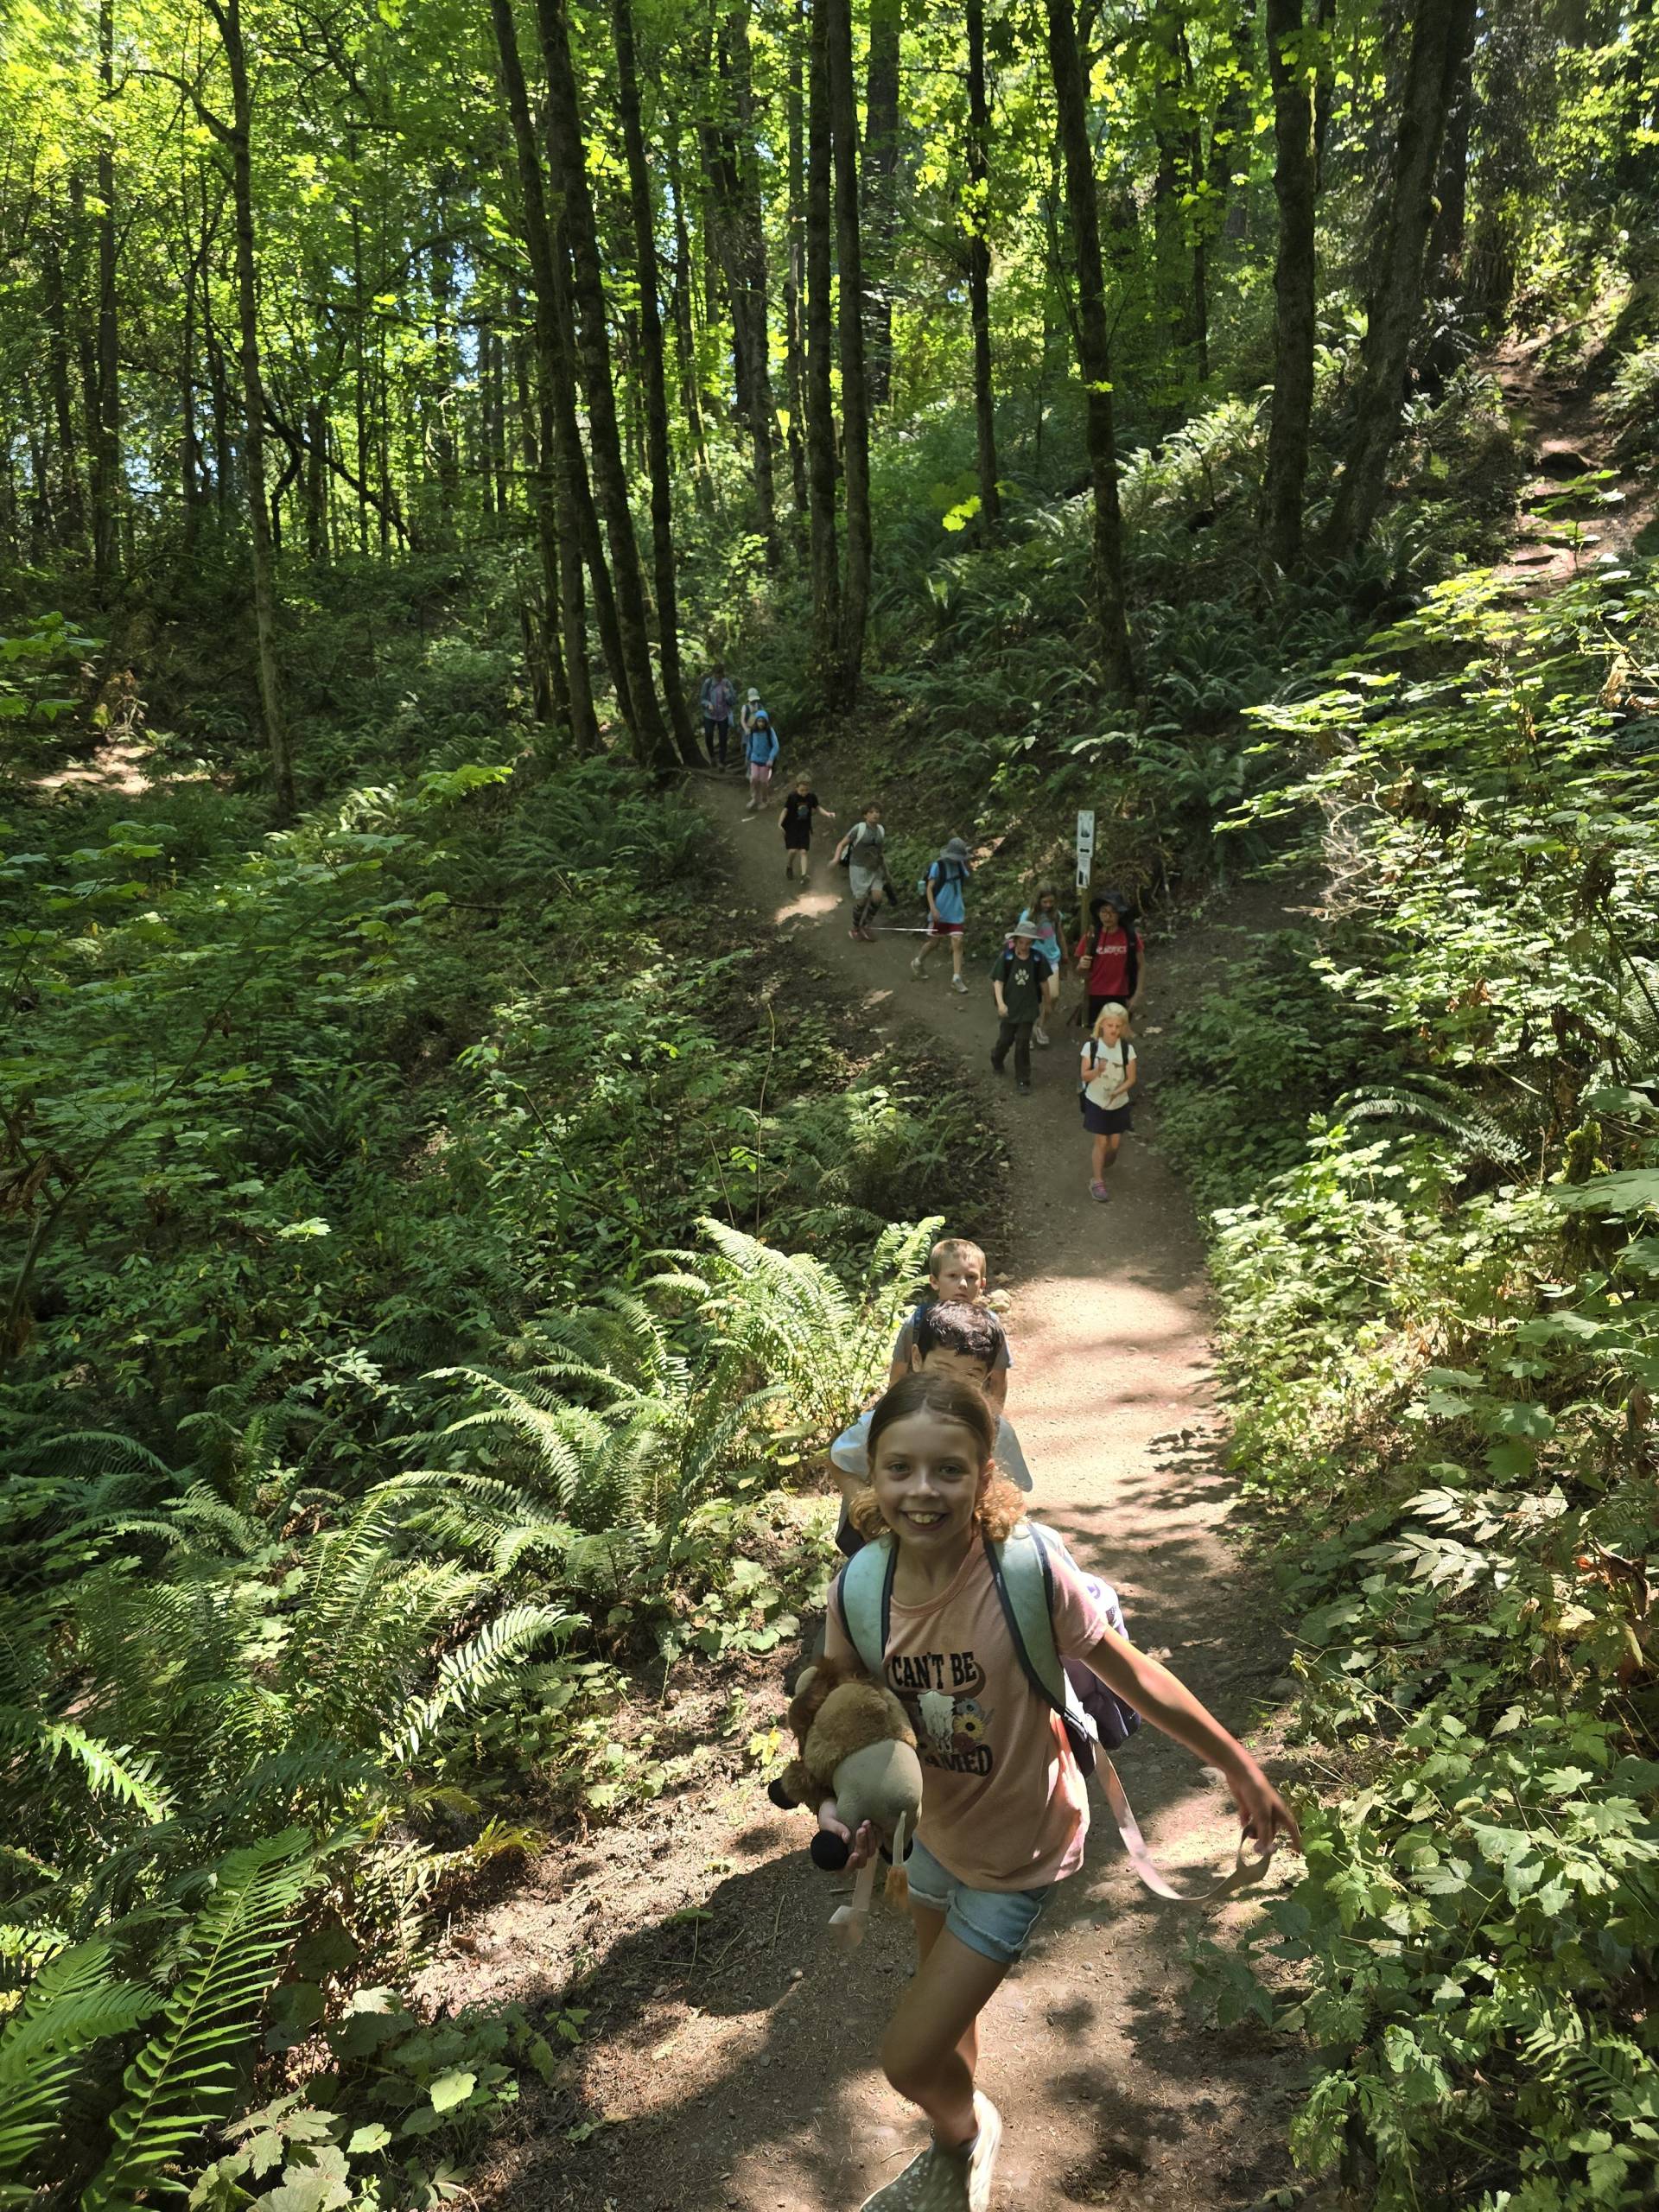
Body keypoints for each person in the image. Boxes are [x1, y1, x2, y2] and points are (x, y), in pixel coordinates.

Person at [819, 1370, 1301, 2212]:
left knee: (906, 2057)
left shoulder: (1025, 1571)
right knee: (946, 2021)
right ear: (874, 1476)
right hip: (930, 1840)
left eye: (948, 1469)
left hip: (1024, 1849)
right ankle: (956, 2148)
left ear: (983, 1475)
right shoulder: (858, 1593)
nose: (922, 1490)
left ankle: (966, 2134)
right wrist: (846, 1811)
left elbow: (1136, 1673)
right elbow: (850, 1725)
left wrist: (1240, 1764)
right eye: (900, 1468)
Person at [830, 1302, 1031, 1557]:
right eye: (941, 1371)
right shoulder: (892, 1419)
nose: (952, 1385)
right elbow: (839, 1461)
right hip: (893, 1556)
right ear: (917, 1358)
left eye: (969, 1376)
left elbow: (1013, 1492)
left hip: (967, 1557)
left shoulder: (997, 1431)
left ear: (987, 1377)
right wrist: (874, 1513)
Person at [886, 1236, 1010, 1409]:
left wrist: (994, 1419)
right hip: (922, 1408)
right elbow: (898, 1375)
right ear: (934, 1281)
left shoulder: (990, 1325)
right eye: (952, 1276)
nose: (963, 1284)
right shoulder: (917, 1321)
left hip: (969, 1410)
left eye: (971, 1277)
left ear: (982, 1284)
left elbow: (998, 1380)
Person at [988, 919, 1054, 1095]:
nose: (1024, 946)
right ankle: (997, 1058)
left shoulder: (1037, 959)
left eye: (1028, 943)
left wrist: (1047, 1004)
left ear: (1032, 943)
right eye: (1021, 942)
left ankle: (1023, 1080)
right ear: (1015, 940)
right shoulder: (1007, 957)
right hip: (1010, 1008)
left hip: (1029, 1008)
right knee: (1005, 1040)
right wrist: (1001, 1004)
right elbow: (998, 981)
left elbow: (1043, 982)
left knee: (1023, 1043)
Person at [1079, 1001, 1136, 1203]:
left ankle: (1106, 1159)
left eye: (1118, 1026)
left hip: (1119, 1102)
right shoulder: (1091, 1047)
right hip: (1096, 1101)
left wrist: (1117, 1092)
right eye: (1110, 1025)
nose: (1113, 1030)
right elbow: (1084, 1076)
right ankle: (1097, 1181)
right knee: (1101, 1142)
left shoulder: (1126, 1050)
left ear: (1123, 1027)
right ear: (1102, 1024)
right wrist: (1097, 1071)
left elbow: (1131, 1078)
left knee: (1114, 1144)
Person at [911, 836, 973, 995]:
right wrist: (933, 909)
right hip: (940, 912)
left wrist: (967, 860)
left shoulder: (960, 865)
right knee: (934, 943)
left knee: (958, 942)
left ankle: (956, 978)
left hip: (956, 911)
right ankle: (918, 962)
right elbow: (929, 888)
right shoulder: (937, 866)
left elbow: (968, 876)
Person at [1074, 891, 1145, 1028]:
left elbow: (1141, 965)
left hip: (1122, 994)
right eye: (1104, 912)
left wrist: (1137, 994)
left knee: (1117, 1036)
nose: (1107, 916)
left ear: (1120, 914)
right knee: (1097, 1037)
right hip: (1095, 994)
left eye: (1112, 912)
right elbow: (1079, 973)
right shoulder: (1091, 937)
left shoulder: (1130, 936)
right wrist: (1081, 966)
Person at [1014, 886, 1065, 1046]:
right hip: (1033, 959)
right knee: (1032, 998)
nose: (1048, 905)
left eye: (1051, 901)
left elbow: (1059, 934)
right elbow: (1020, 937)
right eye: (1045, 901)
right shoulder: (1028, 915)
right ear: (1038, 900)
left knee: (1054, 995)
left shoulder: (1055, 915)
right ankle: (1026, 1031)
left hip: (1051, 958)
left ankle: (1040, 1026)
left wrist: (1065, 955)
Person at [836, 804, 888, 941]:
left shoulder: (881, 830)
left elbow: (879, 851)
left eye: (877, 812)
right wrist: (836, 859)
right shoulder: (858, 828)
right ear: (865, 815)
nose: (875, 815)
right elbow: (842, 844)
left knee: (877, 897)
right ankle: (855, 928)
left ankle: (866, 925)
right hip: (858, 867)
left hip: (875, 868)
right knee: (862, 900)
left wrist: (885, 870)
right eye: (871, 812)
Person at [780, 774, 835, 882]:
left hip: (804, 828)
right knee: (792, 851)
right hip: (792, 827)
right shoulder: (792, 797)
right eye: (801, 790)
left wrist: (828, 814)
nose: (804, 793)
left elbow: (818, 808)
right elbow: (785, 810)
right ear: (797, 788)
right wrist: (780, 823)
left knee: (803, 851)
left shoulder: (812, 797)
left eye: (806, 790)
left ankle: (804, 875)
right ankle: (789, 866)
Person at [698, 663, 737, 769]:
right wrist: (708, 704)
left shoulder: (727, 683)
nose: (718, 678)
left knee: (723, 738)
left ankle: (721, 762)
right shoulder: (708, 683)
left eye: (720, 676)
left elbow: (733, 701)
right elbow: (702, 699)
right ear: (713, 674)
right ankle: (712, 757)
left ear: (723, 674)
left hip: (723, 715)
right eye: (716, 675)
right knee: (709, 735)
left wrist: (727, 693)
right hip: (709, 715)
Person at [743, 709, 780, 812]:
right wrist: (748, 757)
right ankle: (755, 798)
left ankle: (764, 800)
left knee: (764, 781)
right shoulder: (753, 731)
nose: (761, 723)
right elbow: (750, 745)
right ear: (756, 721)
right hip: (754, 759)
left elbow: (776, 746)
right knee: (754, 778)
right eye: (759, 721)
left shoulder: (769, 731)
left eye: (763, 721)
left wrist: (771, 758)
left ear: (766, 722)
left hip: (766, 761)